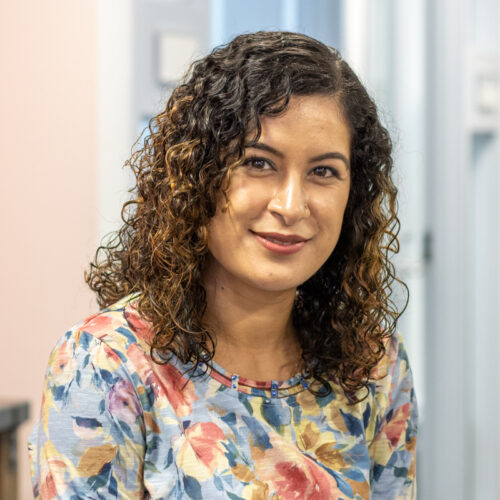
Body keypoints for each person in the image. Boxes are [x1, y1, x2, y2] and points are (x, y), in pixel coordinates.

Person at [28, 31, 417, 499]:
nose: (291, 206)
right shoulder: (106, 364)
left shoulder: (374, 367)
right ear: (197, 176)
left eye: (323, 171)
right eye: (258, 162)